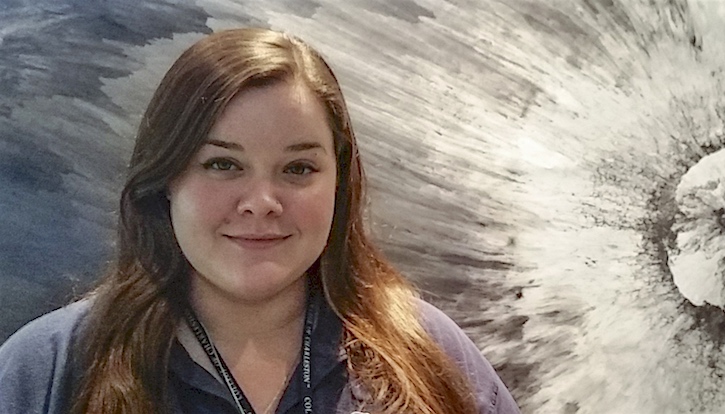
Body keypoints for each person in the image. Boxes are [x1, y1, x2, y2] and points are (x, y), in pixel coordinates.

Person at [0, 28, 521, 414]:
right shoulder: (48, 368)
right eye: (223, 164)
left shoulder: (428, 352)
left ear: (339, 183)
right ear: (166, 178)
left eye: (298, 169)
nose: (262, 202)